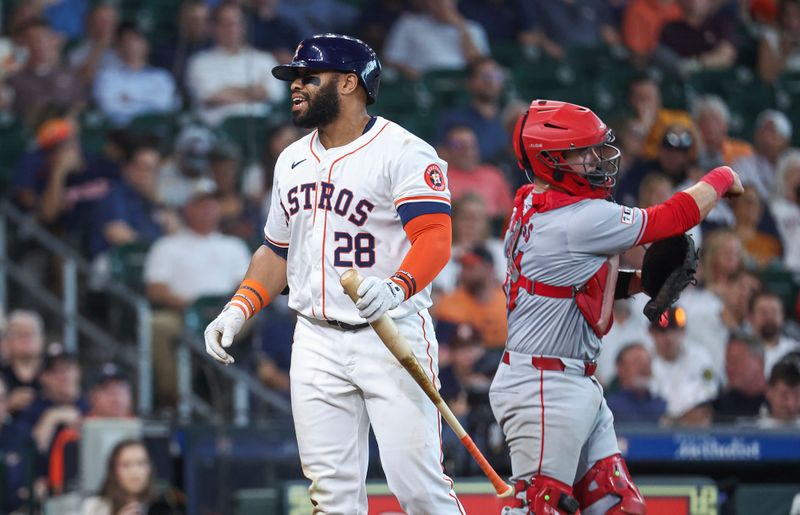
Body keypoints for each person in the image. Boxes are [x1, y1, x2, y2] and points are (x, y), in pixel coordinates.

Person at [203, 34, 464, 513]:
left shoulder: (405, 151)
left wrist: (397, 286)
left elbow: (435, 238)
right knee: (331, 497)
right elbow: (276, 251)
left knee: (419, 489)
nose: (295, 86)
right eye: (294, 78)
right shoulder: (292, 158)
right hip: (316, 340)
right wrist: (237, 309)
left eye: (308, 77)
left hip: (388, 332)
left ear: (349, 83)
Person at [489, 99, 742, 514]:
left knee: (620, 506)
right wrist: (721, 176)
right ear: (549, 160)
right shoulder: (581, 217)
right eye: (579, 153)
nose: (594, 160)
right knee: (539, 508)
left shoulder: (529, 201)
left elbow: (571, 287)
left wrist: (640, 282)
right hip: (544, 386)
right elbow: (672, 218)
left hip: (568, 381)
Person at [185, 2, 285, 126]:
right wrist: (255, 91)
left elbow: (275, 93)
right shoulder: (200, 61)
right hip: (217, 129)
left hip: (263, 126)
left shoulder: (264, 58)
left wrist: (228, 90)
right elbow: (210, 96)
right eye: (225, 24)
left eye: (236, 23)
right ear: (213, 27)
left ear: (244, 27)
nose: (232, 29)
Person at [649, 307, 719, 426]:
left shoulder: (699, 355)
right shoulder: (645, 361)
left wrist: (686, 413)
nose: (668, 338)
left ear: (683, 332)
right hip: (657, 428)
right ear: (652, 334)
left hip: (695, 425)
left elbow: (710, 389)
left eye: (674, 331)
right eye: (662, 332)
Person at [81, 439, 157, 515]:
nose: (135, 471)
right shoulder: (94, 507)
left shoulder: (160, 507)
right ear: (114, 470)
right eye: (126, 465)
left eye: (141, 463)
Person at [605, 342, 667, 424]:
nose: (644, 367)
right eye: (637, 362)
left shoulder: (662, 405)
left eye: (648, 362)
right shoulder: (608, 408)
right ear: (621, 368)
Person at [713, 334, 767, 423]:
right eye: (727, 362)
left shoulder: (780, 402)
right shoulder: (717, 407)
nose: (729, 368)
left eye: (735, 362)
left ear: (758, 362)